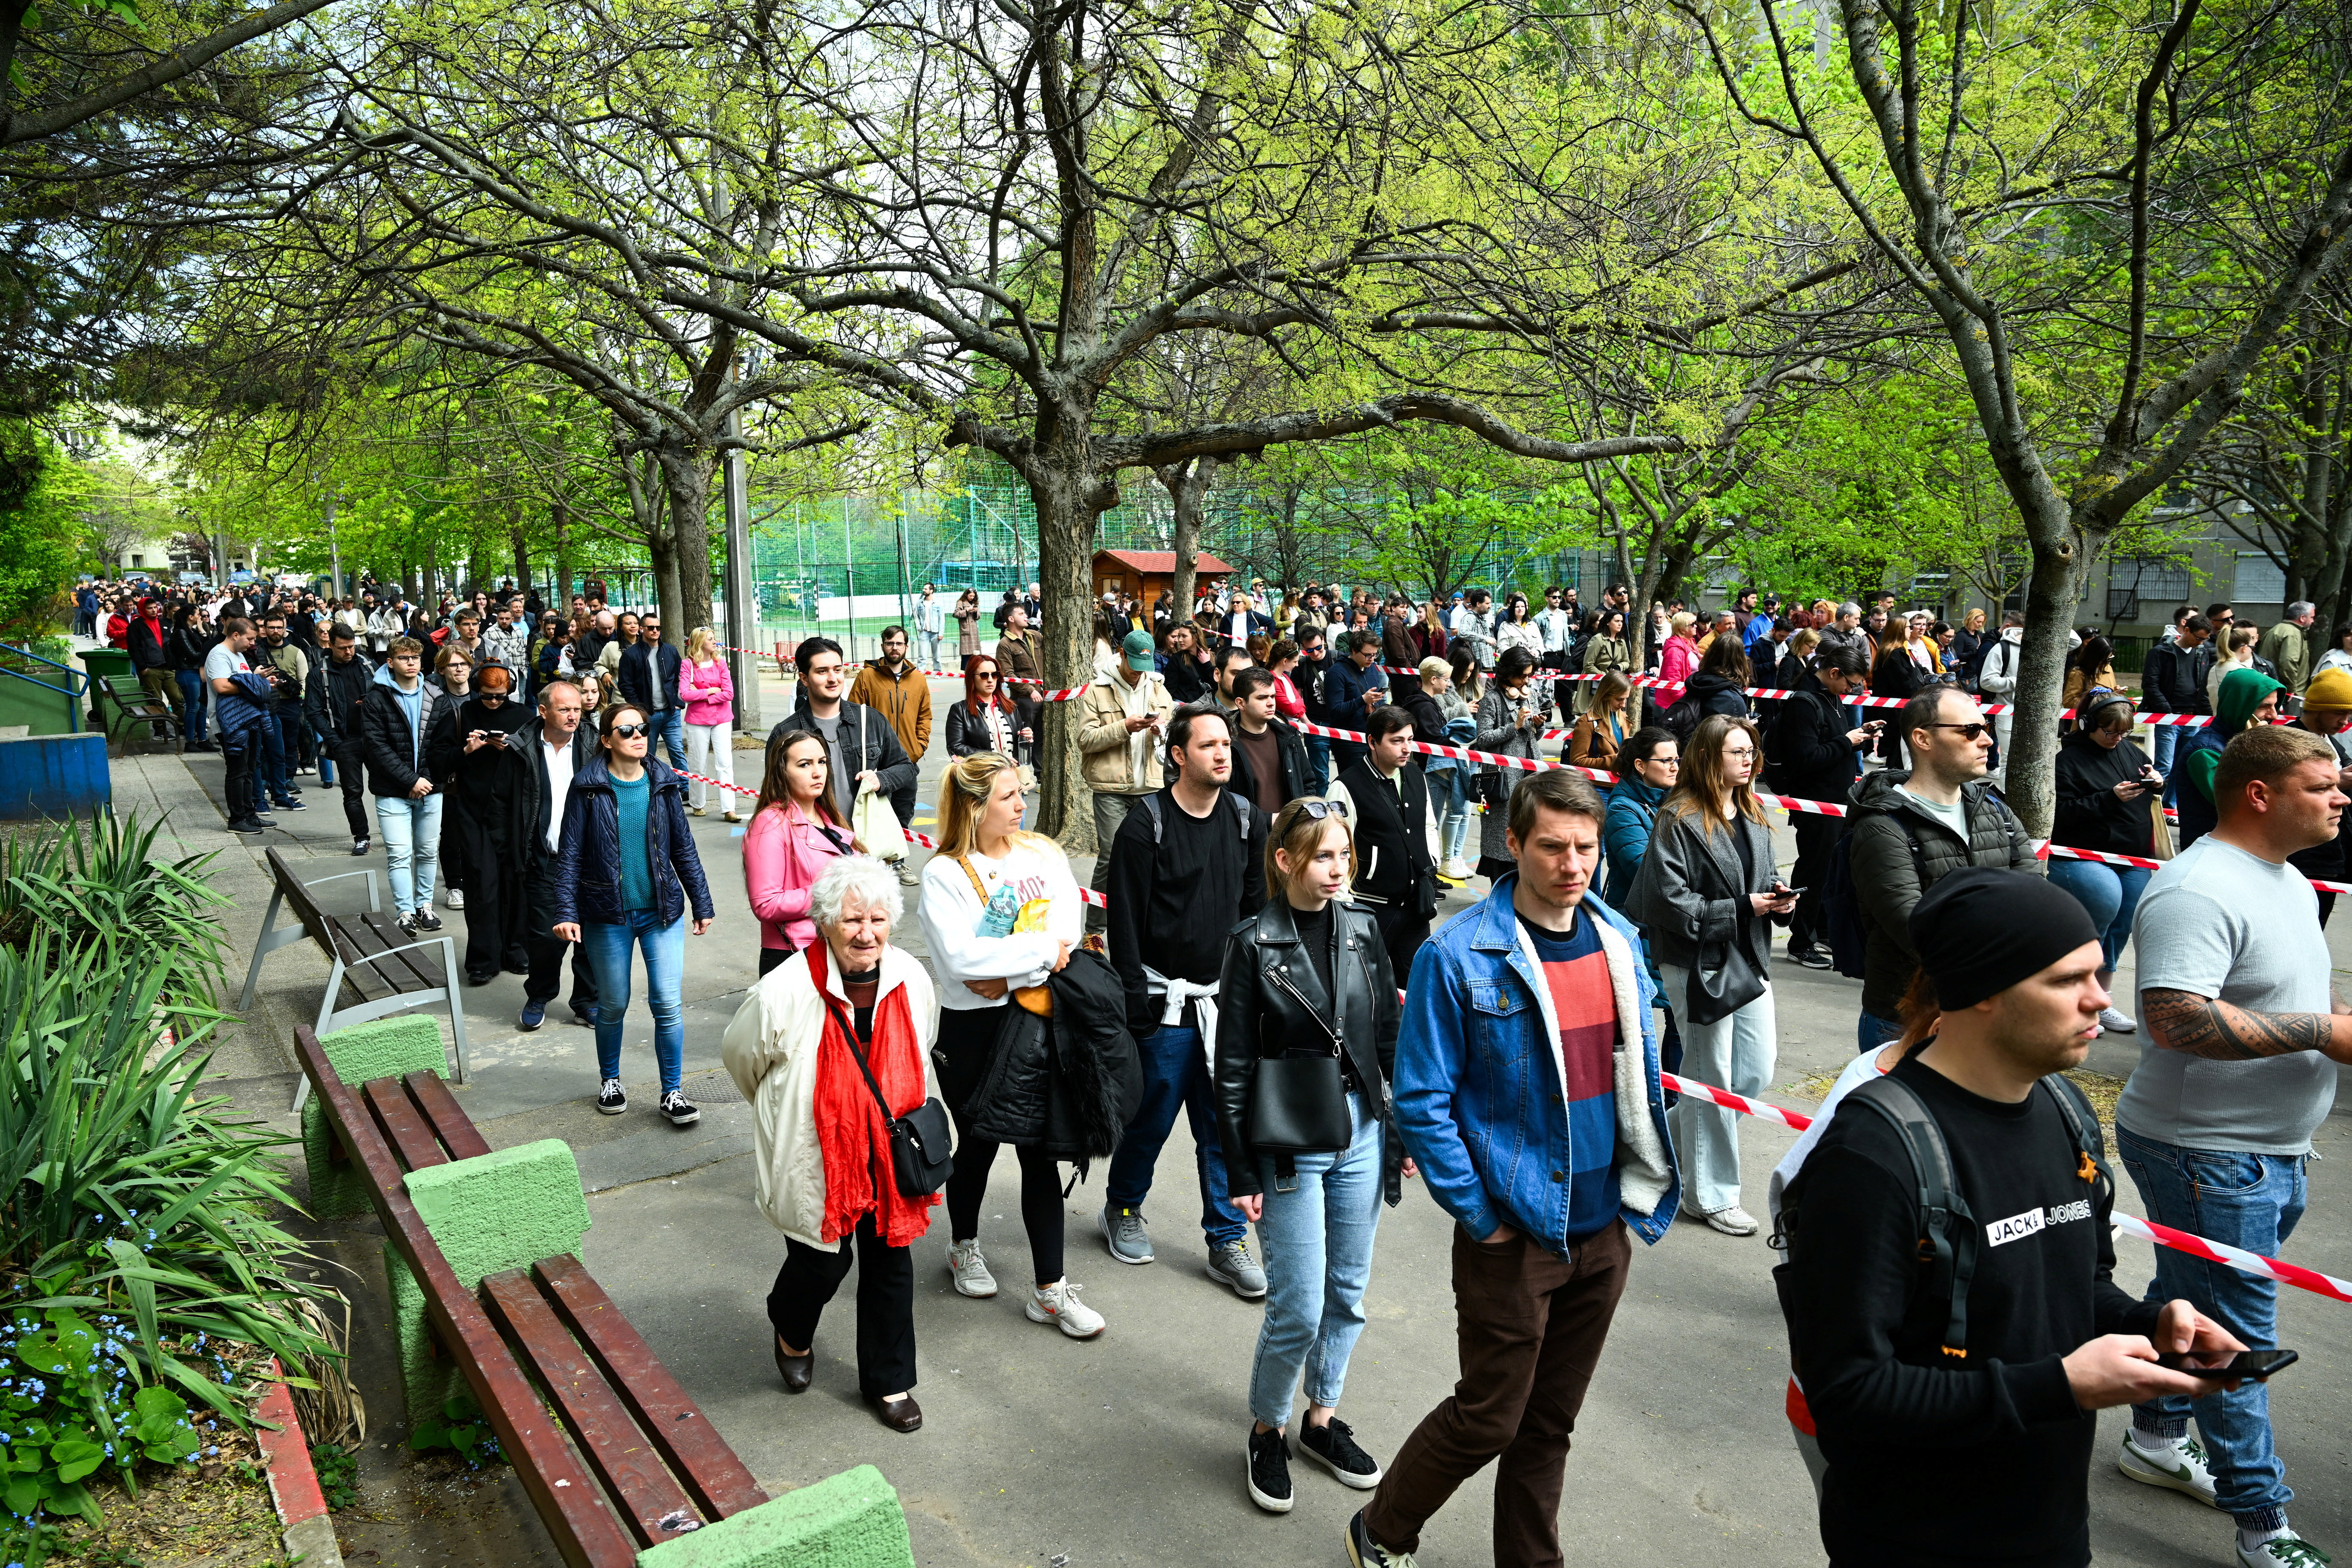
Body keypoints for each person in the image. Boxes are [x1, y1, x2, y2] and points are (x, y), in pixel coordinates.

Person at [1781, 866, 2244, 1568]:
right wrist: (2059, 1386)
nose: (2101, 1001)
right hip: (1917, 1541)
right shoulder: (1874, 1153)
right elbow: (1849, 1392)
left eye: (2099, 973)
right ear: (1982, 993)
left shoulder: (2065, 1113)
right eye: (2067, 981)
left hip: (2050, 1529)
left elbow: (2075, 1288)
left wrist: (2151, 1326)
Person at [1348, 768, 1678, 1568]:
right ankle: (1382, 1529)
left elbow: (1637, 1070)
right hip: (1518, 1229)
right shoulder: (1458, 955)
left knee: (1550, 1422)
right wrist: (1483, 1216)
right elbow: (1422, 1101)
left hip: (1607, 1226)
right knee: (1492, 1415)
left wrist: (1637, 1197)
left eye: (1587, 848)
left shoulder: (1618, 939)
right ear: (1515, 844)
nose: (1573, 864)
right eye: (1554, 847)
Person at [2116, 724, 2352, 1567]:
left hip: (2265, 1150)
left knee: (2192, 1295)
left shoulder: (2285, 877)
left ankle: (2152, 1435)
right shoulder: (2197, 888)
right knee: (2235, 1336)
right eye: (2323, 784)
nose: (2340, 796)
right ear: (2260, 794)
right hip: (2207, 1152)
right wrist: (2322, 1033)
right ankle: (2263, 1525)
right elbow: (2173, 1019)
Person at [1212, 796, 1406, 1513]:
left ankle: (1321, 1418)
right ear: (1287, 860)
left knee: (1348, 1291)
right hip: (1288, 1143)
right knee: (1297, 1303)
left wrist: (1402, 1131)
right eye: (1324, 855)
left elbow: (1387, 1033)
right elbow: (1229, 1064)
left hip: (1359, 1129)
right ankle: (1268, 1426)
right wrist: (1239, 1170)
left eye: (1345, 856)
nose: (1338, 869)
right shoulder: (1254, 941)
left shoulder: (1362, 928)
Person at [721, 855, 939, 1433]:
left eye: (877, 918)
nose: (866, 933)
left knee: (892, 1260)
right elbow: (743, 1060)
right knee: (821, 1261)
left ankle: (889, 1380)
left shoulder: (911, 977)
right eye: (851, 920)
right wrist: (785, 1115)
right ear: (824, 923)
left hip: (888, 1149)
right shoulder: (784, 991)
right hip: (817, 1148)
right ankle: (791, 1328)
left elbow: (923, 1045)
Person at [917, 751, 1110, 1339]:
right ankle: (963, 1244)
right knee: (975, 1142)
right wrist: (1035, 957)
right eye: (1008, 796)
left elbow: (1067, 935)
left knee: (1039, 1151)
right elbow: (963, 963)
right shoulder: (945, 873)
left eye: (1021, 792)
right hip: (973, 1032)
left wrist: (1017, 967)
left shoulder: (1042, 853)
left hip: (1039, 1019)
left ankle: (1050, 1290)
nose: (1022, 804)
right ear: (975, 806)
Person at [1100, 703, 1269, 1297]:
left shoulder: (1247, 818)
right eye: (1208, 745)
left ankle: (1226, 1237)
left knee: (1224, 1125)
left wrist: (1256, 994)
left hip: (1225, 1004)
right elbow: (1122, 918)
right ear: (1178, 755)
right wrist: (1132, 998)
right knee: (1151, 1117)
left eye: (1226, 743)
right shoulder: (1146, 822)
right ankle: (1122, 1206)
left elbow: (1255, 914)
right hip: (1162, 1002)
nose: (1223, 753)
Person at [1622, 714, 1794, 1237]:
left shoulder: (1754, 809)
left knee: (1754, 1072)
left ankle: (1656, 1146)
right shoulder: (1678, 816)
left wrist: (1779, 901)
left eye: (1751, 751)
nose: (1749, 760)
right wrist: (1743, 907)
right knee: (1711, 1076)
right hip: (1696, 961)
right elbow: (1665, 902)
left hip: (1748, 958)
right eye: (1737, 751)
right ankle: (1710, 1196)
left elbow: (1760, 878)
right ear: (1709, 757)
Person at [552, 702, 718, 1126]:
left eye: (642, 728)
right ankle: (611, 1080)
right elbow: (569, 853)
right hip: (607, 915)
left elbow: (683, 847)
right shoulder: (587, 787)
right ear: (606, 740)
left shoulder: (662, 782)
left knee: (667, 1002)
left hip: (660, 911)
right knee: (612, 1003)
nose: (638, 736)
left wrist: (702, 901)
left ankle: (673, 1092)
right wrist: (566, 910)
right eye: (626, 731)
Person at [1849, 686, 2044, 1045]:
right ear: (1922, 738)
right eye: (1970, 731)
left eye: (1984, 728)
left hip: (1990, 1010)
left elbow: (2038, 901)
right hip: (1909, 1022)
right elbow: (1917, 930)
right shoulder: (1882, 825)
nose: (1986, 740)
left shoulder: (1994, 810)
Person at [2049, 691, 2162, 1031]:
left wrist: (2158, 783)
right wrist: (2108, 799)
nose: (2117, 740)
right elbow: (2060, 814)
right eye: (2110, 733)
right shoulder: (2067, 762)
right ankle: (2074, 1001)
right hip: (2082, 854)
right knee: (2102, 907)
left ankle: (2101, 999)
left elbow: (2150, 779)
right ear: (2087, 725)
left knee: (2121, 924)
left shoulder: (2129, 749)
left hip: (2133, 854)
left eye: (2124, 733)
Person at [427, 660, 541, 985]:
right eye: (488, 696)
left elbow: (538, 761)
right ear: (477, 688)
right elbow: (436, 763)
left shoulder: (523, 717)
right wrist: (467, 749)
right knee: (481, 884)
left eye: (500, 696)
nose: (494, 702)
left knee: (516, 882)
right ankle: (482, 959)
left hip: (514, 813)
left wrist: (514, 748)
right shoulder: (460, 716)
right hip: (472, 810)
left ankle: (516, 950)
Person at [768, 638, 919, 884]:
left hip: (865, 847)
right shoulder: (786, 732)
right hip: (813, 848)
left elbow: (906, 768)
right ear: (804, 679)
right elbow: (776, 797)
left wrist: (880, 779)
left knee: (868, 920)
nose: (833, 678)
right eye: (822, 671)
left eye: (838, 670)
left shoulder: (870, 720)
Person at [1776, 644, 1874, 967]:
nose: (1853, 690)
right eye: (1851, 683)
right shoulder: (1804, 704)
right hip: (1815, 804)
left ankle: (1820, 931)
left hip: (1837, 800)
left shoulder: (1831, 698)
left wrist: (1862, 737)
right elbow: (1806, 759)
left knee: (1831, 873)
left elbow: (1834, 745)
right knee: (1813, 872)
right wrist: (1848, 742)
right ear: (1834, 673)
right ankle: (1800, 940)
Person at [1327, 706, 1439, 978]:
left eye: (1410, 739)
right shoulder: (1346, 786)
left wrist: (1430, 863)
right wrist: (1345, 907)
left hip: (1415, 906)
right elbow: (1333, 851)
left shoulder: (1414, 775)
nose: (1407, 748)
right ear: (1373, 742)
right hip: (1371, 908)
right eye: (1397, 741)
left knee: (1417, 986)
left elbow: (1428, 825)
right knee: (1366, 987)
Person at [1078, 629, 1176, 932]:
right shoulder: (1097, 690)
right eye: (1133, 665)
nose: (1138, 674)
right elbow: (1085, 739)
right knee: (1111, 856)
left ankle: (1143, 926)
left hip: (1152, 786)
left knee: (1153, 857)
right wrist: (1125, 727)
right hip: (1111, 788)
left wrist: (1163, 732)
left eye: (1144, 667)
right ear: (1121, 654)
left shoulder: (1160, 689)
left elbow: (1174, 735)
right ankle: (1095, 930)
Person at [518, 679, 599, 1031]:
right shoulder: (521, 748)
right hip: (546, 859)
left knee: (591, 937)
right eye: (565, 709)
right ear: (543, 711)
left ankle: (587, 1001)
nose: (573, 716)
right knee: (546, 938)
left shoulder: (594, 744)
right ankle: (539, 993)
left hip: (593, 860)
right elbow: (504, 806)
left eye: (578, 709)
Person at [743, 728, 858, 972]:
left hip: (839, 947)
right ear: (782, 772)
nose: (818, 773)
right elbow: (766, 903)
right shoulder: (771, 822)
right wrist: (835, 893)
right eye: (805, 765)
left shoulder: (830, 818)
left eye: (822, 762)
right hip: (795, 955)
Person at [360, 637, 448, 930]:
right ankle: (405, 911)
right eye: (404, 658)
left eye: (415, 658)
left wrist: (426, 781)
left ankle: (425, 906)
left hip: (431, 789)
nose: (411, 663)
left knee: (426, 850)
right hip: (392, 791)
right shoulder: (376, 698)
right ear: (390, 662)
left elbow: (443, 745)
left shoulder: (436, 695)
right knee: (399, 854)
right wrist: (411, 780)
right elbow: (376, 747)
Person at [2176, 667, 2285, 848]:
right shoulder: (2206, 751)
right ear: (2240, 706)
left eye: (2275, 706)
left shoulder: (2240, 740)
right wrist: (2257, 749)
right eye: (2265, 706)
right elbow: (2239, 803)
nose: (2273, 715)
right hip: (2213, 853)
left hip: (2244, 846)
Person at [848, 625, 932, 833]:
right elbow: (853, 716)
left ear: (906, 646)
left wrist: (918, 748)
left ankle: (898, 864)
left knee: (903, 815)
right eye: (890, 643)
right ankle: (875, 864)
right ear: (883, 646)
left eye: (899, 644)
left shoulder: (918, 679)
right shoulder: (867, 677)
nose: (895, 648)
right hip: (875, 763)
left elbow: (925, 717)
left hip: (907, 761)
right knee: (873, 820)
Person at [1471, 647, 1544, 881]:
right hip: (1503, 778)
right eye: (1522, 676)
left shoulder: (1527, 694)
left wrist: (1538, 725)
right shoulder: (1492, 699)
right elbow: (1482, 740)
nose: (1526, 680)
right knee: (1502, 837)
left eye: (1529, 676)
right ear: (1508, 673)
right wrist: (1514, 726)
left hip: (1530, 773)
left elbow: (1533, 737)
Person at [2285, 667, 2352, 924]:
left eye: (2348, 714)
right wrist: (2337, 781)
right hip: (2306, 855)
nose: (2345, 721)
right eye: (2339, 712)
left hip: (2330, 853)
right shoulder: (2291, 741)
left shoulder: (2330, 742)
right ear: (2317, 708)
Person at [205, 616, 280, 836]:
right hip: (231, 723)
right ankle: (237, 819)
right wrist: (256, 686)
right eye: (249, 639)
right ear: (236, 635)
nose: (252, 644)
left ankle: (250, 815)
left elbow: (243, 681)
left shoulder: (238, 655)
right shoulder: (219, 655)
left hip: (248, 719)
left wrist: (260, 680)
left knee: (249, 769)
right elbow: (222, 686)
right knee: (237, 771)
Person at [2142, 612, 2216, 807]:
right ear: (2186, 630)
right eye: (2198, 638)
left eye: (2205, 639)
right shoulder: (2161, 651)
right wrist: (2168, 712)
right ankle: (2147, 804)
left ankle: (2169, 806)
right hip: (2169, 717)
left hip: (2192, 718)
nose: (2201, 643)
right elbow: (2151, 684)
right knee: (2164, 766)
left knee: (2182, 766)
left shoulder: (2202, 653)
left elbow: (2202, 688)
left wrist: (2207, 717)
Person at [1226, 665, 1309, 816]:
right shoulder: (1226, 743)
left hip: (1290, 833)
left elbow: (1307, 783)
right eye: (1262, 698)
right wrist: (1265, 820)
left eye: (1273, 696)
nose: (1271, 703)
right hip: (1248, 835)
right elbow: (1223, 800)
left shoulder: (1289, 736)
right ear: (1241, 703)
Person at [677, 628, 740, 821]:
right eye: (710, 639)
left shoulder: (721, 664)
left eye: (714, 638)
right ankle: (697, 803)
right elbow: (685, 695)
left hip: (722, 719)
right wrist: (711, 691)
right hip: (697, 721)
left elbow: (729, 694)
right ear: (700, 642)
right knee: (698, 763)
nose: (715, 642)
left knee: (725, 764)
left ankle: (729, 809)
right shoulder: (688, 665)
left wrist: (703, 695)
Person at [617, 611, 688, 769]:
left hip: (671, 713)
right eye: (651, 628)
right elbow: (625, 685)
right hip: (648, 715)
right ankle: (651, 790)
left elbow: (681, 678)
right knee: (648, 755)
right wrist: (640, 709)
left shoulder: (670, 651)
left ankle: (686, 790)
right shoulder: (630, 655)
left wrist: (677, 703)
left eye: (658, 627)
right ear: (642, 629)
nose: (655, 631)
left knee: (678, 753)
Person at [1321, 629, 1389, 773]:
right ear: (1354, 650)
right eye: (1368, 655)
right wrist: (1363, 700)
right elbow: (1335, 711)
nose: (1372, 659)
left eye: (1375, 654)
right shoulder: (1336, 673)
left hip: (1371, 737)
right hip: (1349, 743)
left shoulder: (1372, 668)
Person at [945, 653, 1026, 759]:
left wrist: (1026, 739)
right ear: (972, 678)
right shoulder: (960, 710)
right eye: (984, 675)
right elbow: (955, 747)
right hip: (982, 773)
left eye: (995, 675)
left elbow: (1022, 749)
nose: (990, 680)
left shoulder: (1010, 707)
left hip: (1011, 773)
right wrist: (992, 758)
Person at [994, 603, 1046, 744]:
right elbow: (1007, 675)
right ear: (1011, 619)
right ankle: (1020, 766)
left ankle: (1039, 767)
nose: (1026, 616)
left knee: (1041, 742)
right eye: (1021, 614)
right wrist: (1030, 691)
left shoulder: (1035, 636)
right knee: (1024, 741)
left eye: (1026, 614)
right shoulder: (1005, 644)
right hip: (1025, 700)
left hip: (1044, 696)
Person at [168, 605, 214, 751]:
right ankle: (189, 741)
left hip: (197, 672)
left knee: (202, 708)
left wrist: (202, 630)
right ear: (191, 617)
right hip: (188, 672)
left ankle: (202, 739)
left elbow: (205, 646)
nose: (200, 616)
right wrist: (209, 654)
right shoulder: (181, 633)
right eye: (198, 614)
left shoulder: (192, 631)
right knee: (193, 707)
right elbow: (194, 654)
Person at [1566, 670, 1631, 771]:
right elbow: (1577, 762)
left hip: (1620, 783)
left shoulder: (1623, 719)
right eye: (1619, 699)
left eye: (1626, 699)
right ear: (1605, 695)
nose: (1623, 705)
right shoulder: (1586, 722)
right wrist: (1616, 760)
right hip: (1599, 785)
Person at [1575, 606, 1633, 716]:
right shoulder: (1597, 639)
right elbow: (1588, 665)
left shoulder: (1621, 641)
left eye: (1621, 621)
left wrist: (1618, 668)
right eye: (1617, 621)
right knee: (1594, 715)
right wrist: (1604, 675)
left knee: (1611, 714)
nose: (1620, 624)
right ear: (1608, 622)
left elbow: (1627, 661)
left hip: (1613, 683)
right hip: (1595, 683)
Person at [2257, 601, 2314, 695]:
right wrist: (2292, 688)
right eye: (2312, 617)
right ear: (2303, 618)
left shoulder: (2275, 629)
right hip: (2288, 693)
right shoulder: (2293, 634)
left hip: (2271, 688)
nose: (2313, 621)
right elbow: (2288, 662)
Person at [1158, 621, 1214, 704]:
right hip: (1184, 707)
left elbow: (1217, 686)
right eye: (1179, 636)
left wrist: (1207, 664)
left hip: (1206, 707)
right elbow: (1169, 690)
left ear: (1196, 637)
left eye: (1184, 636)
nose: (1179, 640)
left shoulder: (1211, 657)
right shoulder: (1176, 659)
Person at [913, 585, 945, 671]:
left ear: (931, 591)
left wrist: (941, 633)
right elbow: (916, 617)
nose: (923, 590)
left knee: (937, 656)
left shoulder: (939, 604)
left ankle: (938, 672)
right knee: (922, 656)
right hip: (924, 633)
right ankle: (920, 673)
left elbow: (942, 619)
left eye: (926, 589)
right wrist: (919, 628)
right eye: (923, 589)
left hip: (936, 633)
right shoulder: (919, 603)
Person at [953, 589, 983, 660]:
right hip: (966, 630)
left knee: (976, 653)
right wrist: (966, 611)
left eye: (973, 596)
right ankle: (966, 669)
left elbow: (978, 617)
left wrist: (976, 612)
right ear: (967, 595)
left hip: (974, 631)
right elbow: (956, 614)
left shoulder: (975, 603)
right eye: (970, 596)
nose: (972, 597)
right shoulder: (961, 602)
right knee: (966, 653)